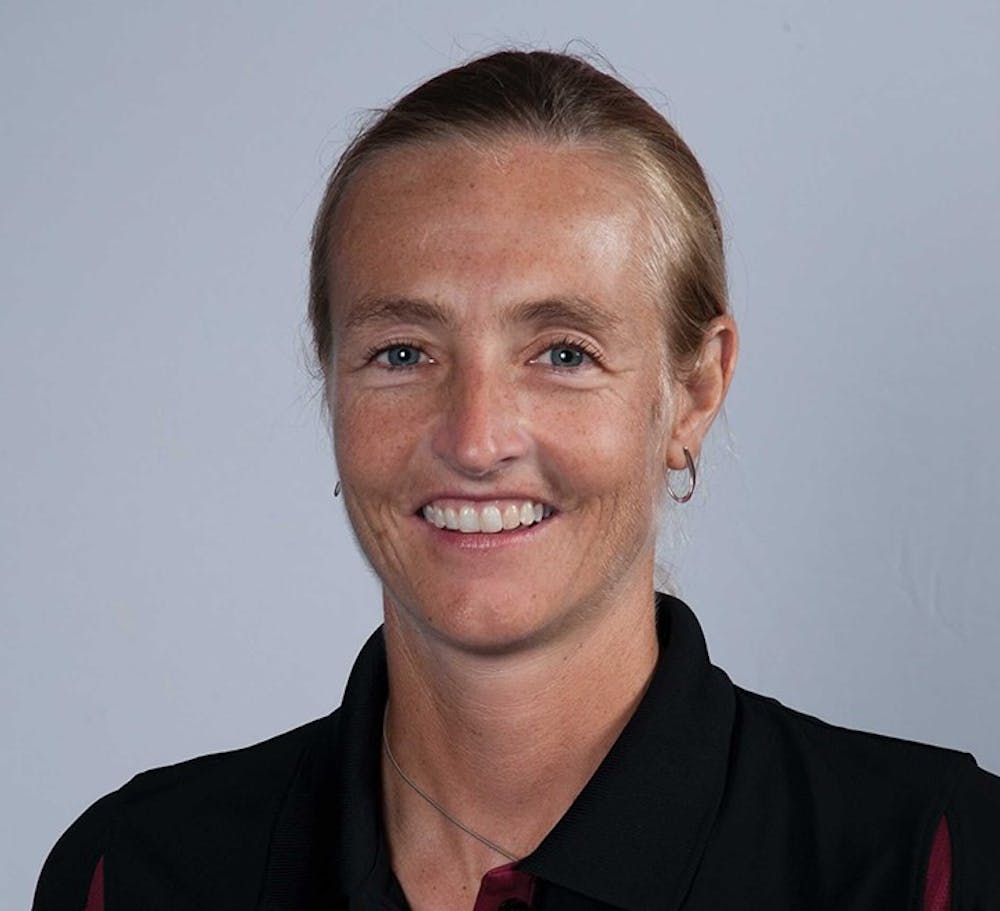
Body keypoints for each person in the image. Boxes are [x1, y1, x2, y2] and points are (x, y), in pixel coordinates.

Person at [34, 49, 1000, 911]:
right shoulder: (134, 872)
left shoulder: (931, 860)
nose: (476, 435)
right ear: (329, 378)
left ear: (694, 389)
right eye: (403, 352)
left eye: (564, 353)